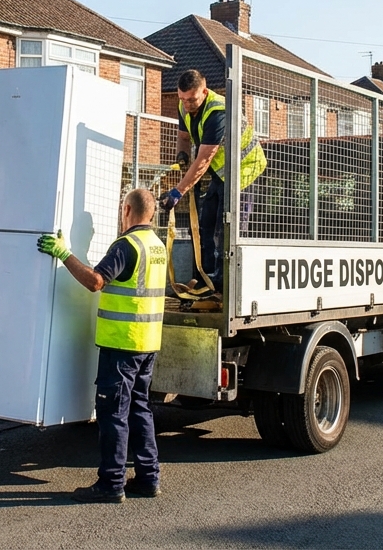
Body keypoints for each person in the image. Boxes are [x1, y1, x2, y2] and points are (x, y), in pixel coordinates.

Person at [36, 188, 168, 503]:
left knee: (113, 414)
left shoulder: (127, 245)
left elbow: (96, 281)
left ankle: (111, 484)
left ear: (126, 210)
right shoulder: (157, 245)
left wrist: (63, 253)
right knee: (140, 410)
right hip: (146, 343)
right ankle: (148, 478)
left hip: (121, 345)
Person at [161, 69, 266, 291]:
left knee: (225, 228)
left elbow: (204, 159)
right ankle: (206, 278)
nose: (186, 104)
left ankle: (224, 285)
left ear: (205, 91)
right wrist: (181, 156)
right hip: (222, 171)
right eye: (182, 98)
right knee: (205, 223)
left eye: (191, 99)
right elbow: (183, 137)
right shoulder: (183, 105)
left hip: (245, 169)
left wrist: (177, 192)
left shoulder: (218, 111)